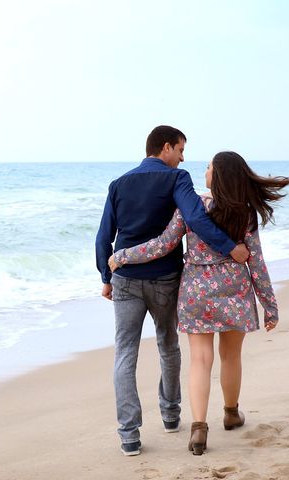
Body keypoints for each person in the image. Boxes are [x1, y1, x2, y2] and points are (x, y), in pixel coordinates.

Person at [108, 151, 289, 455]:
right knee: (231, 357)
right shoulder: (244, 214)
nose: (204, 171)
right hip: (234, 290)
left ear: (218, 176)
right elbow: (257, 263)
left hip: (196, 292)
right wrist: (269, 306)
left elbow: (162, 244)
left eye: (208, 168)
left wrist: (122, 256)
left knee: (200, 361)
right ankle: (231, 414)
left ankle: (198, 430)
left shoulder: (192, 207)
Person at [95, 126, 250, 456]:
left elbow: (103, 235)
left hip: (124, 278)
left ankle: (129, 436)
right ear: (165, 148)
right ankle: (170, 416)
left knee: (125, 352)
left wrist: (105, 276)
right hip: (165, 277)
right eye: (180, 150)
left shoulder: (118, 184)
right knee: (168, 346)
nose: (182, 158)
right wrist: (229, 247)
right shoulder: (176, 179)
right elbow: (194, 217)